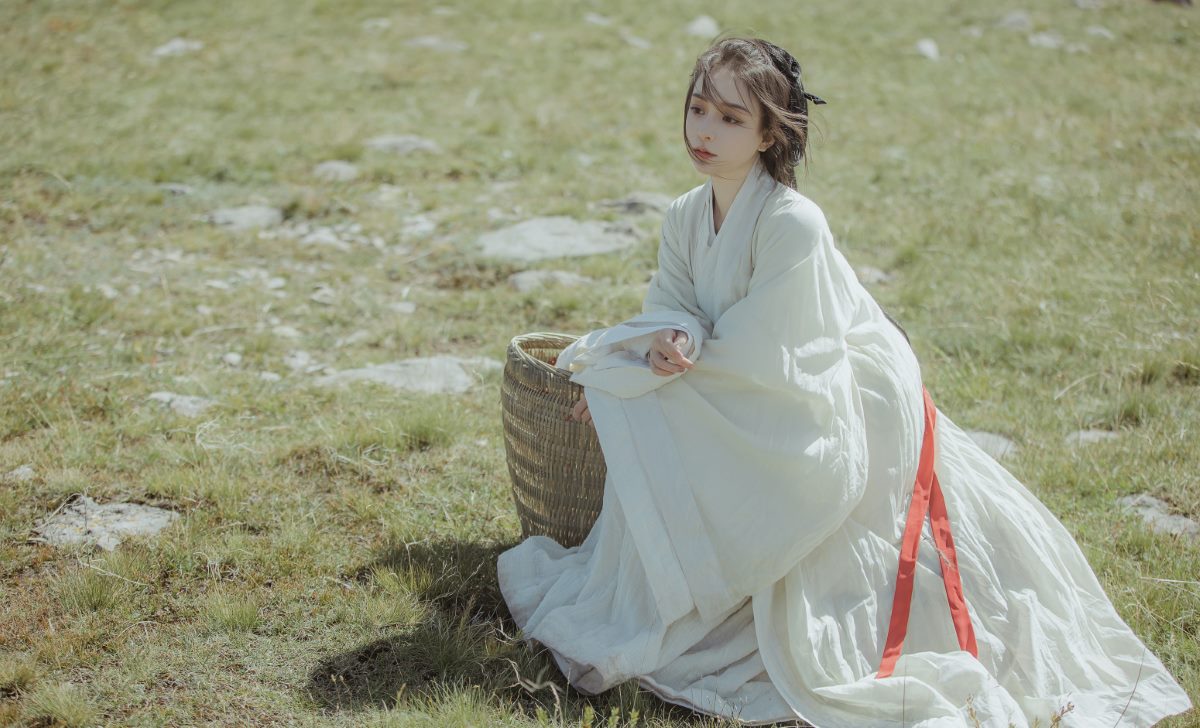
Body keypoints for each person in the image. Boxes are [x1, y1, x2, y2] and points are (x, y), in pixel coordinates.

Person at [496, 36, 1193, 727]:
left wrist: (630, 390)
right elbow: (673, 303)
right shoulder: (684, 213)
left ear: (769, 135)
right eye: (699, 108)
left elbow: (770, 352)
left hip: (836, 385)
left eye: (731, 119)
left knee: (662, 408)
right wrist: (667, 340)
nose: (705, 131)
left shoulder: (792, 222)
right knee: (653, 396)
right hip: (749, 372)